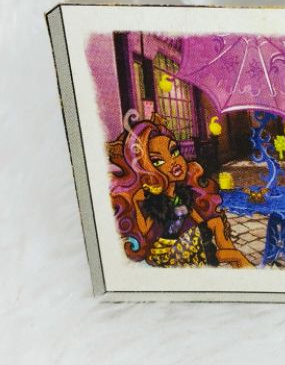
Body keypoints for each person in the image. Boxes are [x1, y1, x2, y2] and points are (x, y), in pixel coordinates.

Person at [108, 111, 252, 268]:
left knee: (217, 224)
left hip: (189, 239)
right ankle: (232, 261)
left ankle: (231, 260)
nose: (173, 162)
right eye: (158, 161)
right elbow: (144, 230)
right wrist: (136, 202)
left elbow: (195, 215)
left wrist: (208, 224)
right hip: (168, 249)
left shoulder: (181, 192)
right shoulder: (150, 198)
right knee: (232, 254)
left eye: (174, 152)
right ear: (146, 169)